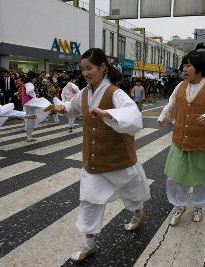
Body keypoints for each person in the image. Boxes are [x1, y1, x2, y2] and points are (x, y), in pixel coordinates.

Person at [55, 48, 151, 261]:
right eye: (83, 69)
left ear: (102, 67)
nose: (86, 73)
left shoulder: (114, 92)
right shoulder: (85, 93)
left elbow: (134, 117)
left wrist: (107, 113)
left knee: (133, 194)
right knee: (89, 200)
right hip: (94, 161)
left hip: (119, 160)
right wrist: (63, 109)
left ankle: (138, 213)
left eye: (89, 68)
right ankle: (89, 243)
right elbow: (73, 107)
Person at [157, 44, 205, 226]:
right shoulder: (180, 86)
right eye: (183, 65)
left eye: (188, 66)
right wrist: (164, 117)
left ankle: (198, 206)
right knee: (175, 177)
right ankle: (179, 205)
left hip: (202, 143)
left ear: (199, 69)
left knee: (203, 179)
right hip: (179, 142)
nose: (184, 69)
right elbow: (172, 105)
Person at [19, 71, 53, 142]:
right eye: (35, 78)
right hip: (30, 102)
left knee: (30, 120)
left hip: (26, 103)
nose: (36, 79)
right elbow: (29, 91)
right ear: (32, 78)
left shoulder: (25, 84)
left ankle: (29, 136)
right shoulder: (29, 84)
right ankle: (45, 108)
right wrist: (34, 96)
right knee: (43, 101)